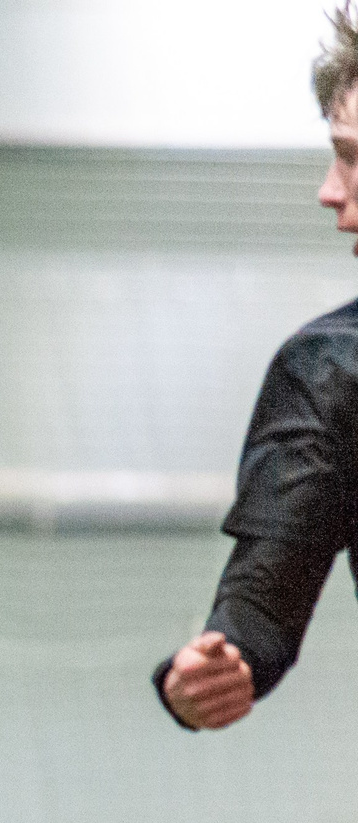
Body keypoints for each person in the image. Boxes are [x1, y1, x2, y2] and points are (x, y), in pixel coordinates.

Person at [158, 7, 358, 730]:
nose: (329, 190)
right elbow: (261, 608)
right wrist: (215, 669)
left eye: (351, 155)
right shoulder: (331, 370)